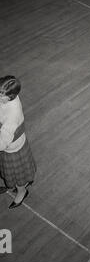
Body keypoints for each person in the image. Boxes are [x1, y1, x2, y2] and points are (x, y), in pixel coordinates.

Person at [0, 75, 36, 209]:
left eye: (0, 94)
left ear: (10, 96)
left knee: (17, 174)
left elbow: (2, 143)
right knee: (10, 173)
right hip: (8, 145)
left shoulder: (12, 115)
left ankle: (22, 191)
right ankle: (11, 186)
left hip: (12, 148)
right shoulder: (7, 98)